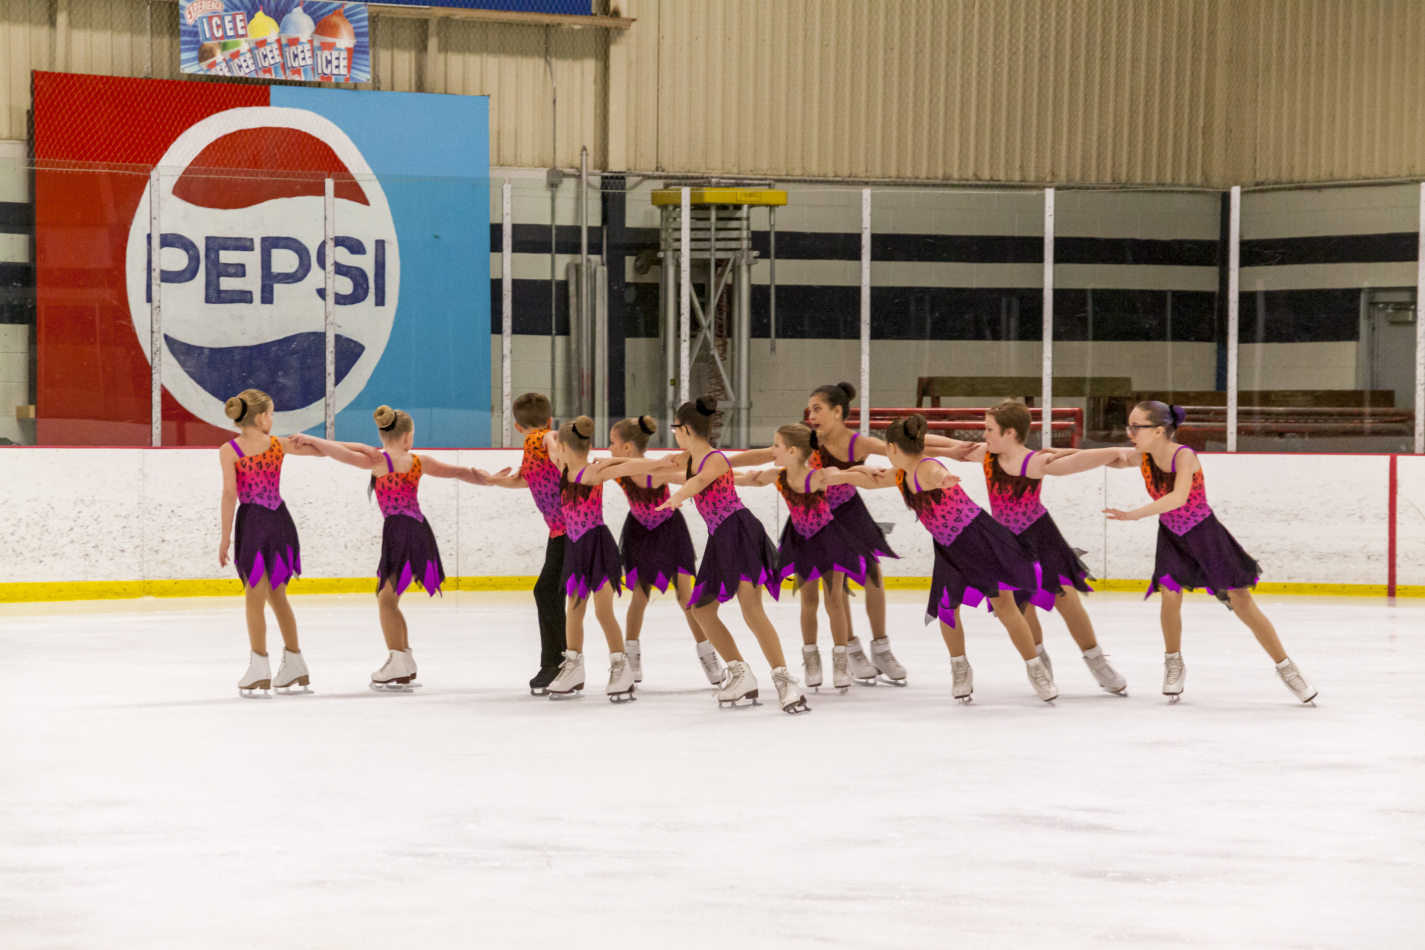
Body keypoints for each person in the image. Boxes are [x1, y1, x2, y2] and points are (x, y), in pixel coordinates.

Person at [1105, 401, 1317, 704]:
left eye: (1136, 427)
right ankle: (1173, 663)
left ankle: (1286, 668)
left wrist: (1133, 514)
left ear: (1159, 430)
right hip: (1172, 536)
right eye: (1130, 427)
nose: (1130, 433)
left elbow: (1179, 497)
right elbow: (1110, 457)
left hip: (1204, 534)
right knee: (1170, 594)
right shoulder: (1144, 456)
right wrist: (1060, 455)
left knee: (1241, 599)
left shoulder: (1184, 455)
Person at [926, 400, 1130, 695]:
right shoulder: (987, 455)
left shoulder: (1033, 462)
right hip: (1006, 542)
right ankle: (1040, 660)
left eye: (989, 429)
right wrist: (910, 440)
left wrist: (1118, 451)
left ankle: (1096, 660)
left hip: (1040, 536)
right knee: (1021, 605)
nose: (983, 435)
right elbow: (945, 445)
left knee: (1065, 599)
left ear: (1010, 433)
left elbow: (1078, 462)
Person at [858, 414, 1060, 702]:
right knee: (946, 608)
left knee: (1004, 605)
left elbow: (937, 475)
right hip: (949, 548)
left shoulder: (929, 466)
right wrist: (839, 474)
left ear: (891, 448)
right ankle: (960, 669)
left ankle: (1035, 669)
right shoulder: (901, 474)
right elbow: (871, 481)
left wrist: (945, 479)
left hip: (978, 540)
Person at [291, 406, 484, 692]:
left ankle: (398, 660)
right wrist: (489, 478)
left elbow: (338, 453)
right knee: (388, 599)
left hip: (399, 532)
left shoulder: (379, 461)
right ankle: (403, 660)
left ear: (383, 434)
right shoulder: (418, 461)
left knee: (386, 600)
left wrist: (312, 439)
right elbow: (459, 472)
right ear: (407, 436)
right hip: (418, 529)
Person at [657, 395, 810, 714]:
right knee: (701, 609)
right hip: (720, 537)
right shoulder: (688, 458)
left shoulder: (714, 459)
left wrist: (677, 496)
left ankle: (784, 681)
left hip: (738, 530)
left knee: (751, 609)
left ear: (685, 429)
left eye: (675, 428)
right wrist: (612, 465)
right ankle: (741, 674)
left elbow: (699, 482)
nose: (674, 433)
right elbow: (655, 466)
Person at [733, 423, 880, 693]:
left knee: (834, 600)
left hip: (829, 540)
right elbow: (747, 479)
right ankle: (811, 660)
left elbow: (845, 473)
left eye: (776, 445)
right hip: (801, 541)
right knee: (808, 601)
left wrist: (865, 469)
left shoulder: (818, 476)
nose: (771, 450)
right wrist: (714, 475)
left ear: (792, 451)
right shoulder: (777, 475)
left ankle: (840, 662)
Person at [218, 388, 326, 697]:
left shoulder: (229, 449)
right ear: (263, 417)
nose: (273, 419)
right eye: (272, 414)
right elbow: (321, 452)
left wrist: (225, 537)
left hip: (252, 522)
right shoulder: (278, 444)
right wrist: (311, 439)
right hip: (280, 521)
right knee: (278, 596)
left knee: (255, 595)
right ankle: (295, 663)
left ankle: (260, 668)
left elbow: (230, 494)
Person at [608, 414, 723, 687]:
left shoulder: (657, 470)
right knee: (639, 595)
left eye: (612, 443)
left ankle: (707, 654)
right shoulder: (620, 470)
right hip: (638, 534)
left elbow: (691, 475)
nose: (609, 448)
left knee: (686, 595)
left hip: (670, 532)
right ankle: (631, 658)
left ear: (627, 447)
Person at [474, 393, 568, 695]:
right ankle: (561, 662)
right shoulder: (533, 447)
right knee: (552, 593)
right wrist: (493, 480)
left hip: (570, 530)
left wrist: (554, 444)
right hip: (561, 531)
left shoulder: (538, 439)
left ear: (517, 427)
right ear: (548, 417)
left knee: (547, 592)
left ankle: (556, 663)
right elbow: (523, 480)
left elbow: (551, 440)